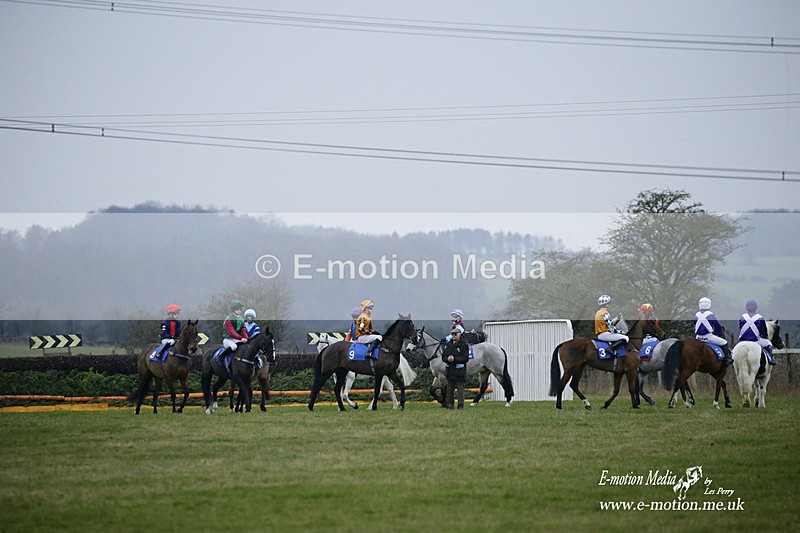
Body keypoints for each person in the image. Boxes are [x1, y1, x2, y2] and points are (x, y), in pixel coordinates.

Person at [694, 297, 732, 366]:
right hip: (708, 337)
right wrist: (720, 334)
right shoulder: (710, 314)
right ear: (709, 304)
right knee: (724, 342)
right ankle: (727, 359)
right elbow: (717, 325)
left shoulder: (696, 314)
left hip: (698, 337)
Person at [738, 300, 775, 365]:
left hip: (743, 340)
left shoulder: (742, 317)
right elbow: (764, 332)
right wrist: (764, 337)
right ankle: (770, 359)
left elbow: (741, 328)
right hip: (755, 340)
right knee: (769, 343)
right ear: (756, 307)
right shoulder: (760, 318)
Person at [442, 328, 470, 410]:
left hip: (459, 371)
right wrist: (448, 359)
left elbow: (465, 358)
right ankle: (450, 405)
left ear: (459, 334)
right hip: (450, 370)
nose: (453, 336)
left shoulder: (464, 344)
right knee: (449, 389)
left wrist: (455, 359)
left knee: (460, 389)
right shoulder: (448, 345)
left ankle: (460, 405)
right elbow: (443, 357)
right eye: (452, 334)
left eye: (455, 334)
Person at [221, 300, 249, 371]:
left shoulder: (241, 319)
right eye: (237, 309)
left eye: (240, 309)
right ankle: (221, 358)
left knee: (245, 346)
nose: (239, 310)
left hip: (236, 339)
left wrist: (246, 337)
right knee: (234, 347)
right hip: (228, 339)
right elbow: (231, 333)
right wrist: (241, 338)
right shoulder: (228, 319)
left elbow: (243, 329)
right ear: (233, 310)